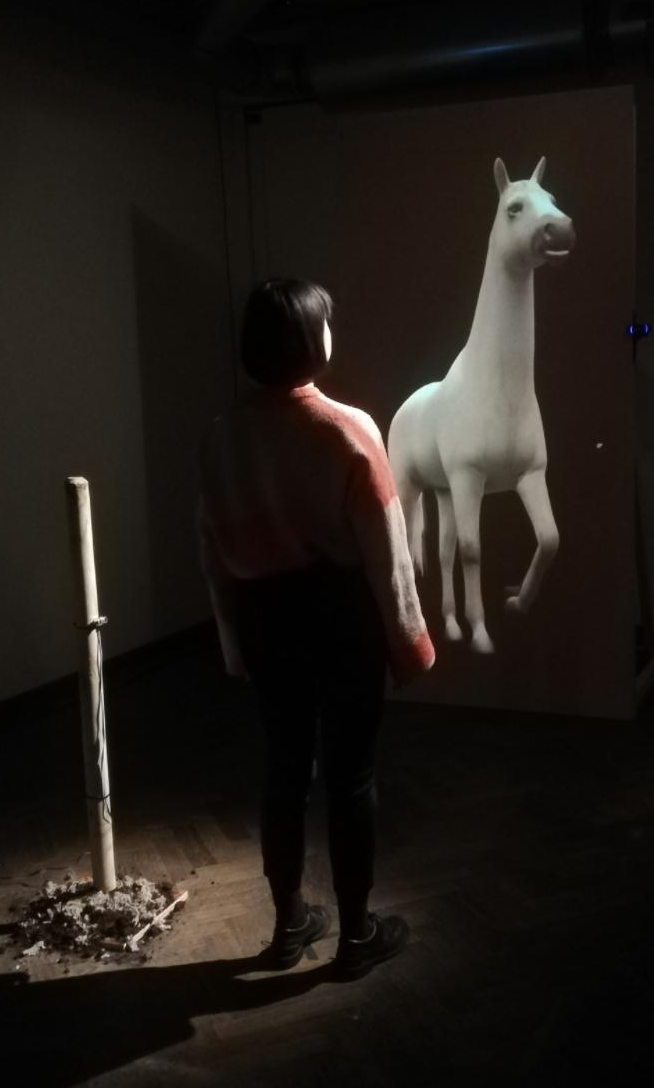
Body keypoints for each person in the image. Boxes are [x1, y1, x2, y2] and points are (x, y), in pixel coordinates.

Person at [197, 278, 435, 979]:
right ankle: (358, 934)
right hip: (341, 621)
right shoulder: (346, 428)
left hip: (267, 622)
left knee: (284, 769)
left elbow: (213, 555)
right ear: (312, 338)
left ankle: (289, 923)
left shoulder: (219, 438)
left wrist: (234, 643)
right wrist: (409, 641)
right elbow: (388, 556)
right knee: (351, 777)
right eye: (327, 320)